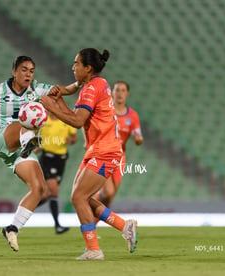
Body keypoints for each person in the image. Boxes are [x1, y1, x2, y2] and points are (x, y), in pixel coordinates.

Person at [0, 56, 79, 252]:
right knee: (33, 112)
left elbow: (67, 89)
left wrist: (80, 81)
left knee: (40, 189)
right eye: (24, 70)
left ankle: (12, 228)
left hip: (18, 148)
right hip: (0, 137)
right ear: (14, 72)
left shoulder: (36, 88)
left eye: (31, 71)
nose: (28, 74)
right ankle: (30, 141)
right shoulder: (0, 89)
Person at [40, 48, 137, 260]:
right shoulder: (97, 84)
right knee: (83, 198)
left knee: (78, 197)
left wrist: (50, 105)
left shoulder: (90, 90)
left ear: (88, 68)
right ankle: (124, 226)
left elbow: (76, 121)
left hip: (105, 150)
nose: (73, 67)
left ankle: (94, 249)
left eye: (76, 64)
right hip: (99, 149)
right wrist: (59, 97)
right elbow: (73, 101)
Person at [94, 81, 143, 209]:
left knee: (110, 197)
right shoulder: (105, 110)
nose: (120, 93)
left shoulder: (132, 116)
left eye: (123, 90)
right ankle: (88, 207)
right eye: (117, 90)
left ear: (127, 93)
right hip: (103, 154)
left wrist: (138, 140)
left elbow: (138, 137)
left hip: (120, 158)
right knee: (108, 192)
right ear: (112, 93)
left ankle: (91, 224)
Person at [37, 111, 77, 234]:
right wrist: (36, 147)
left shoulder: (66, 121)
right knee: (54, 190)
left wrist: (69, 140)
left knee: (47, 195)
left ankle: (25, 209)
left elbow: (74, 139)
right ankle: (58, 225)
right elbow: (37, 138)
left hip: (61, 159)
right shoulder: (43, 121)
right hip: (47, 158)